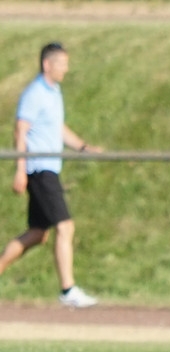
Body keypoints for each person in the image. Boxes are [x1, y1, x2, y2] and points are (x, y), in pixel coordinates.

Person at [1, 42, 102, 308]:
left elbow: (57, 128)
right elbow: (20, 130)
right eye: (62, 64)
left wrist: (83, 147)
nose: (66, 69)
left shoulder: (53, 92)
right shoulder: (35, 93)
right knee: (65, 226)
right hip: (40, 169)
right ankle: (68, 290)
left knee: (38, 233)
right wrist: (20, 170)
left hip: (50, 168)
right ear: (48, 64)